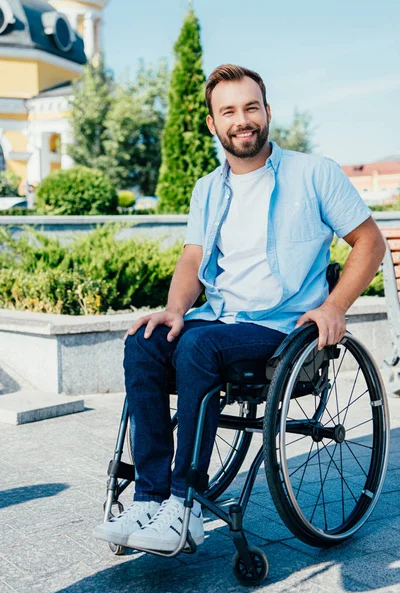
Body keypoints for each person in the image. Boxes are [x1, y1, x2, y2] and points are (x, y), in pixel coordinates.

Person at [93, 64, 386, 552]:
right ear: (213, 123)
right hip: (218, 320)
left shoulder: (314, 173)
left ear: (267, 113)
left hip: (282, 329)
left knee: (199, 348)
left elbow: (370, 243)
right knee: (144, 342)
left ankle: (185, 507)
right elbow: (193, 258)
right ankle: (149, 499)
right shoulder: (208, 188)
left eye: (251, 108)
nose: (241, 119)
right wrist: (173, 309)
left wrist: (335, 306)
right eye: (228, 111)